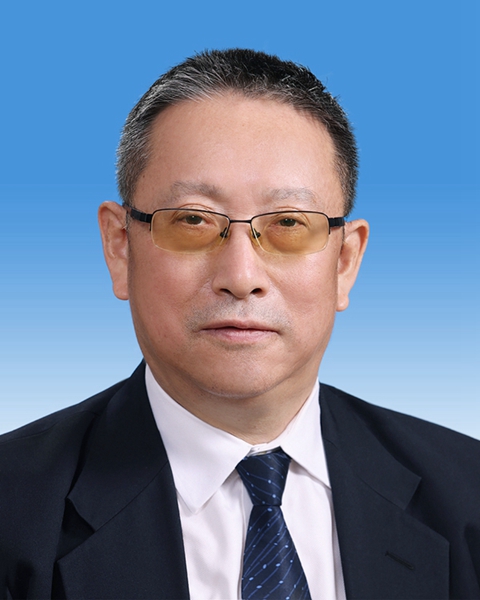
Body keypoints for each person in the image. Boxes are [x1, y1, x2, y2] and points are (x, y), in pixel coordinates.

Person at [1, 49, 479, 600]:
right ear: (119, 248)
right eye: (193, 220)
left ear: (345, 262)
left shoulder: (467, 493)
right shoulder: (13, 511)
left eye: (289, 224)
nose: (241, 277)